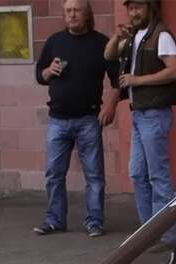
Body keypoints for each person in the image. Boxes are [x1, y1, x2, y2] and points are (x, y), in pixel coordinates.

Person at [34, 0, 120, 238]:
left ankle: (94, 222)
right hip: (57, 119)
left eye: (77, 11)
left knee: (94, 176)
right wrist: (48, 71)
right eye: (68, 11)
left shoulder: (101, 43)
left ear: (87, 14)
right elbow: (39, 75)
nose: (72, 15)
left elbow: (118, 80)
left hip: (88, 119)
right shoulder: (55, 41)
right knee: (54, 174)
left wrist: (111, 105)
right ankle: (54, 220)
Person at [105, 0, 176, 226]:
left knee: (158, 175)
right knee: (138, 174)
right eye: (130, 8)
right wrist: (117, 37)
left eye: (138, 7)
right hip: (139, 114)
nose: (133, 13)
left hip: (154, 113)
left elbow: (174, 70)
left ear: (150, 9)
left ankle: (166, 233)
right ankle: (148, 230)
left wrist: (137, 80)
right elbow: (108, 55)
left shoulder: (161, 35)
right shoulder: (134, 37)